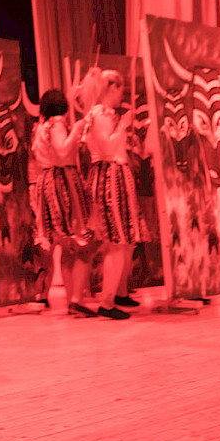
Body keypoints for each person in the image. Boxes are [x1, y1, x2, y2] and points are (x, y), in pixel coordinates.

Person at [83, 69, 146, 320]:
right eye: (120, 88)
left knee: (125, 240)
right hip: (110, 176)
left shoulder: (103, 114)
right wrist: (123, 125)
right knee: (117, 241)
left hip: (116, 175)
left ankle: (118, 293)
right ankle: (107, 301)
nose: (122, 94)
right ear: (111, 87)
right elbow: (108, 148)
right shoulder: (100, 114)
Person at [29, 89, 94, 316]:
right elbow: (62, 150)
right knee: (76, 241)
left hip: (46, 181)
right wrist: (77, 129)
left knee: (65, 246)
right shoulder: (56, 123)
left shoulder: (40, 127)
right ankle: (75, 298)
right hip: (61, 181)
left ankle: (73, 299)